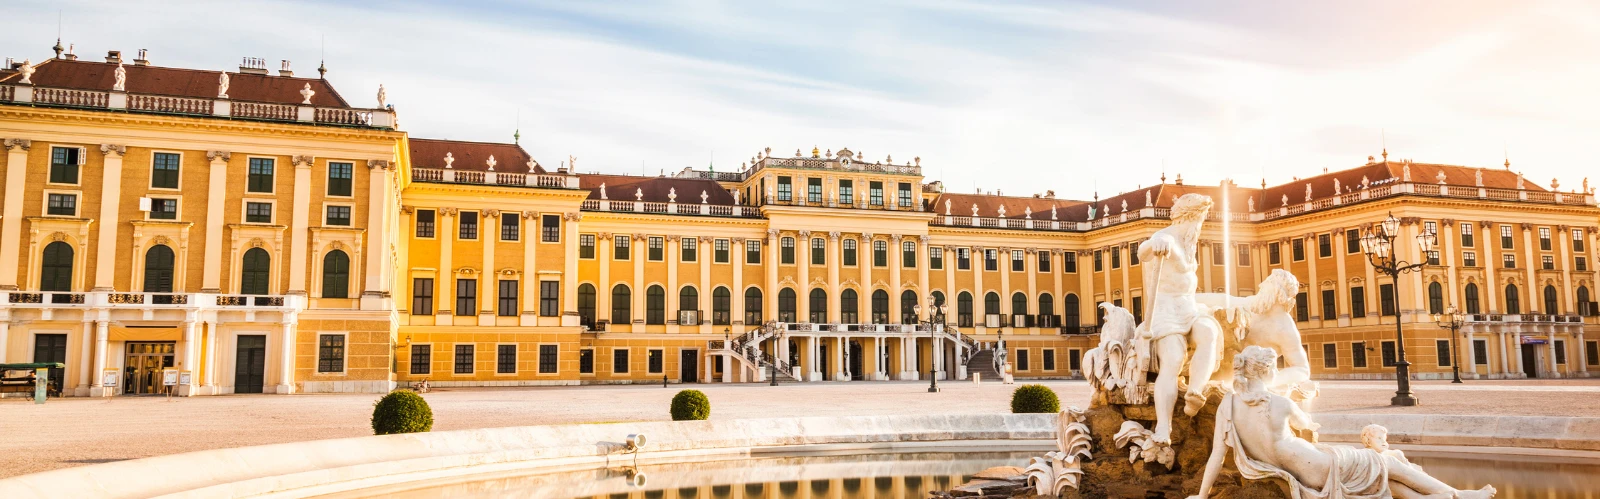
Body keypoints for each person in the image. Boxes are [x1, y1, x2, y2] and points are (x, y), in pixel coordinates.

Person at [1189, 346, 1496, 499]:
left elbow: (1217, 455)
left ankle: (1443, 498)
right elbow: (1309, 425)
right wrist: (1301, 396)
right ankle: (1458, 494)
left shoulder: (1227, 405)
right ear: (1266, 371)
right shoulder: (1280, 403)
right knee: (1386, 460)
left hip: (1309, 473)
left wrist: (1201, 496)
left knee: (1385, 476)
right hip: (1323, 467)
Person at [1136, 193, 1224, 444]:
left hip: (1189, 307)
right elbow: (1143, 252)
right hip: (1165, 311)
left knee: (1209, 332)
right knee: (1173, 358)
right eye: (1200, 218)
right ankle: (1163, 426)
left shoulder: (1189, 242)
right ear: (1191, 216)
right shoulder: (1166, 237)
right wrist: (1156, 243)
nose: (1201, 224)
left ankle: (1195, 391)